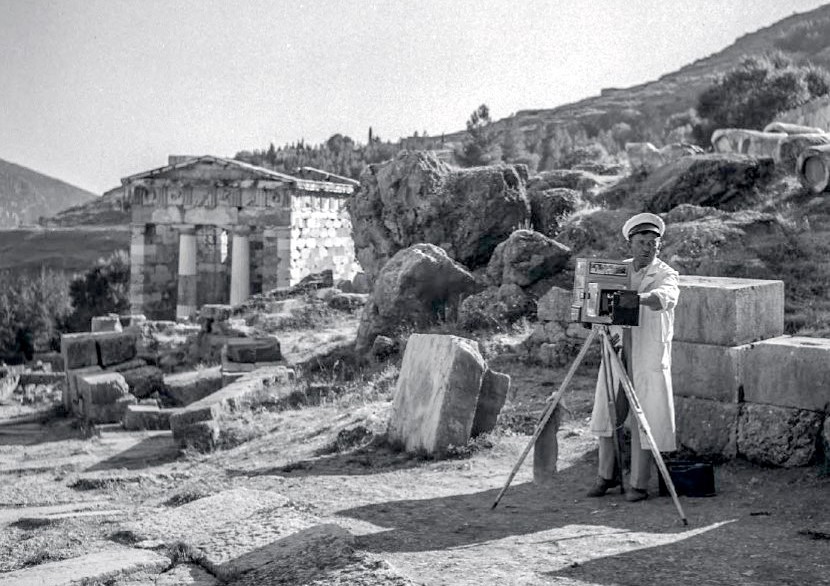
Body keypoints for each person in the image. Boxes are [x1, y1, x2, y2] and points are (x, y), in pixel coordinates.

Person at [587, 212, 679, 502]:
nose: (647, 247)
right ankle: (606, 476)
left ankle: (638, 484)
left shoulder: (666, 273)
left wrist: (633, 300)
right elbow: (593, 299)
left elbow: (665, 297)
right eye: (641, 241)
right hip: (617, 351)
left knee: (645, 418)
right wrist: (589, 310)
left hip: (647, 355)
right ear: (630, 243)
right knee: (608, 413)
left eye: (653, 242)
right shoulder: (616, 271)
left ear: (659, 246)